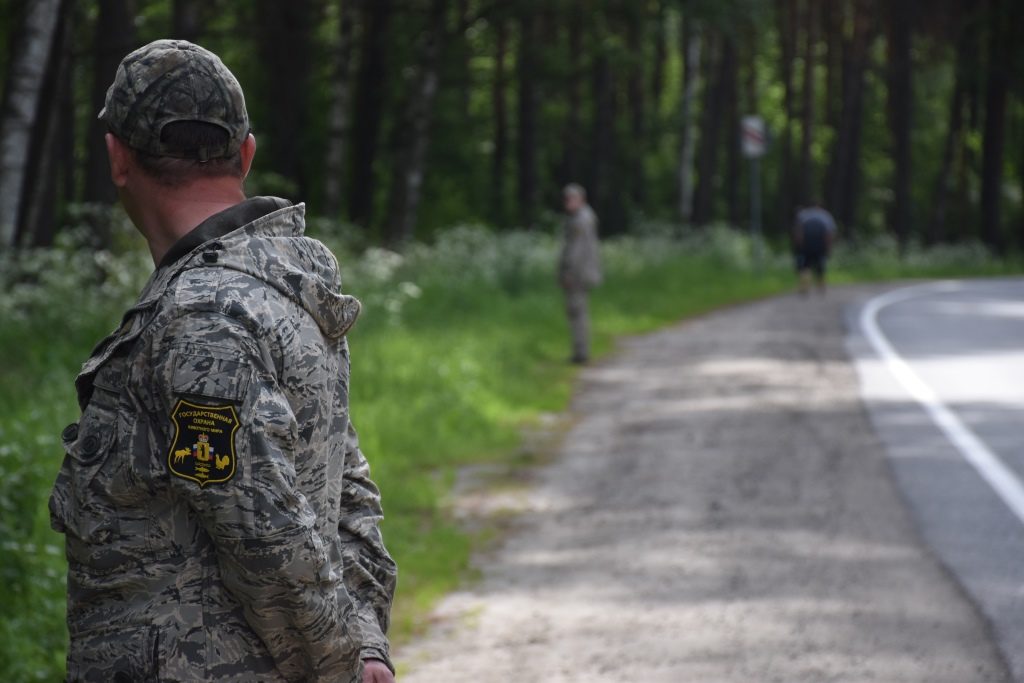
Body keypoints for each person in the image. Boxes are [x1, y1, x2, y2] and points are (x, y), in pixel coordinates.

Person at [47, 40, 397, 683]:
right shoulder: (281, 291)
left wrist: (345, 664)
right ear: (245, 153)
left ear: (117, 158)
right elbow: (345, 476)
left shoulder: (201, 318)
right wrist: (364, 640)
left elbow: (266, 540)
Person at [558, 184, 602, 364]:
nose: (568, 202)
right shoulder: (585, 217)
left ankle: (581, 353)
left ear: (581, 200)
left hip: (578, 274)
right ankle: (580, 351)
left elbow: (576, 251)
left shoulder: (580, 220)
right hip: (583, 273)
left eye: (572, 199)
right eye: (566, 199)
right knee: (578, 311)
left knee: (577, 312)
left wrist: (568, 272)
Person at [792, 202, 838, 295]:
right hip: (820, 243)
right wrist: (828, 247)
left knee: (805, 266)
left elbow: (798, 231)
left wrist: (799, 246)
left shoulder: (804, 214)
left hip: (806, 243)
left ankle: (804, 286)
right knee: (820, 265)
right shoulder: (825, 215)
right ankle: (821, 285)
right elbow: (829, 233)